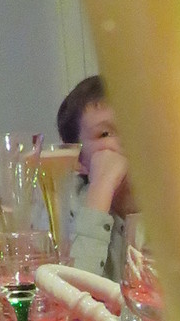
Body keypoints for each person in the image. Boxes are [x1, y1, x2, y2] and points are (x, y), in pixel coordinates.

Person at [56, 72, 135, 277]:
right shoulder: (67, 206)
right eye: (105, 134)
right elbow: (72, 289)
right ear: (78, 159)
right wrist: (101, 188)